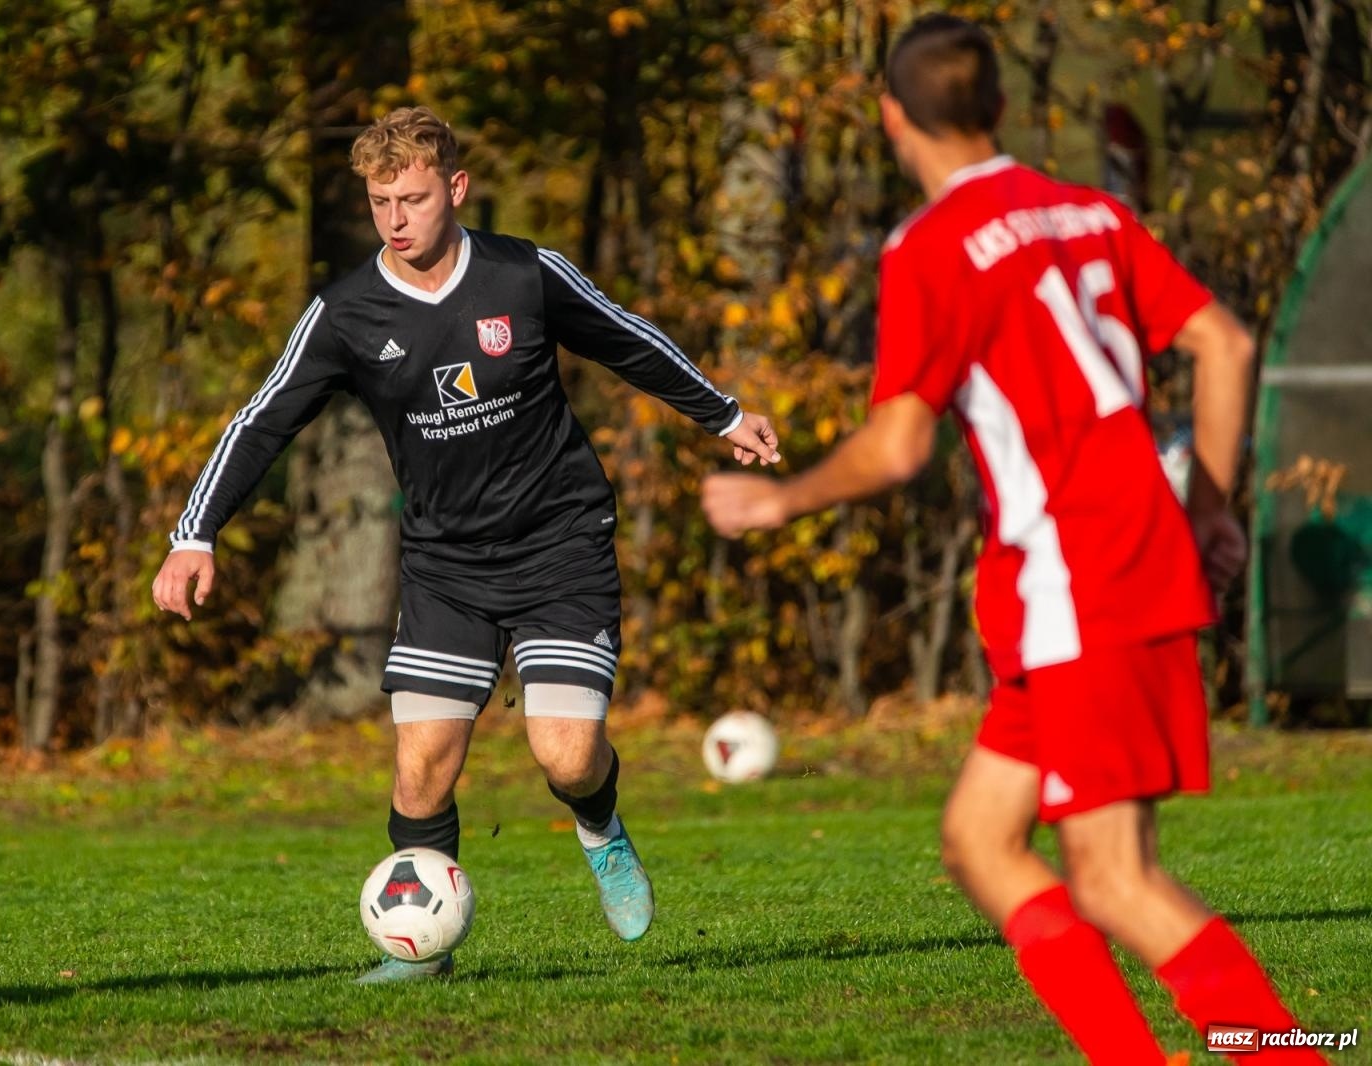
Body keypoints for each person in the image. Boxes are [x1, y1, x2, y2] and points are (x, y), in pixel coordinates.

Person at [702, 15, 1324, 1065]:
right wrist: (1211, 507)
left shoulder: (930, 247)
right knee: (981, 843)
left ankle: (1290, 1053)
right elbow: (1224, 340)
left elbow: (898, 445)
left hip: (1082, 579)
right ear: (995, 107)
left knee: (1115, 878)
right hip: (1078, 583)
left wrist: (781, 498)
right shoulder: (1088, 209)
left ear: (893, 116)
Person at [153, 106, 781, 984]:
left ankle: (598, 822)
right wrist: (195, 534)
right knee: (420, 773)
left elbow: (627, 339)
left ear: (455, 188)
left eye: (411, 198)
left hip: (561, 542)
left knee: (564, 754)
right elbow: (262, 422)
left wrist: (722, 415)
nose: (396, 220)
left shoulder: (523, 275)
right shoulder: (346, 312)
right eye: (379, 202)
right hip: (448, 565)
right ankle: (424, 956)